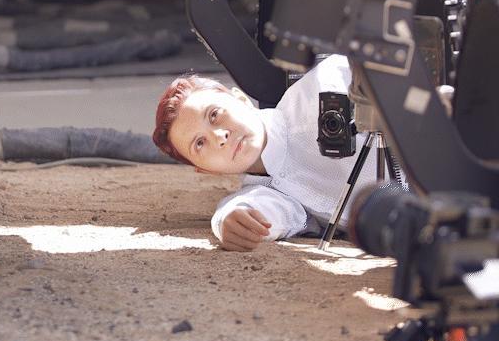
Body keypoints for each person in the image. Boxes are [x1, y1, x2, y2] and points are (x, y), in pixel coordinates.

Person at [152, 55, 377, 252]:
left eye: (214, 115)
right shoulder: (267, 194)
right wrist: (227, 221)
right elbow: (259, 210)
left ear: (241, 99)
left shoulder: (323, 82)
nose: (219, 137)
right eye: (200, 144)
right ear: (205, 170)